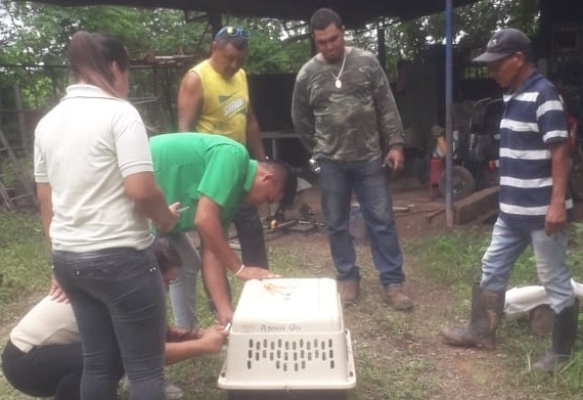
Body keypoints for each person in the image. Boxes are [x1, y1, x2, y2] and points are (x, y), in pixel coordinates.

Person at [34, 31, 179, 400]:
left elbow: (44, 199)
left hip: (69, 260)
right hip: (120, 260)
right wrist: (164, 221)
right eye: (126, 71)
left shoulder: (47, 123)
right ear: (115, 67)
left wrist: (59, 252)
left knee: (97, 364)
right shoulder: (120, 113)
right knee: (145, 370)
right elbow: (141, 190)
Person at [440, 28, 578, 373]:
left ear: (518, 59)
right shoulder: (513, 95)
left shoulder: (544, 95)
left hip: (543, 212)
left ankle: (561, 354)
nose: (491, 71)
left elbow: (560, 151)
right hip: (512, 210)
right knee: (492, 266)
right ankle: (481, 330)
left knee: (553, 278)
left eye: (496, 64)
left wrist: (557, 203)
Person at [1, 237, 228, 400]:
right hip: (23, 362)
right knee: (113, 358)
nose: (166, 290)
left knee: (107, 356)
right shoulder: (119, 292)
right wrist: (202, 345)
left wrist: (197, 334)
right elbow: (145, 354)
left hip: (40, 354)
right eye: (166, 282)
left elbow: (149, 333)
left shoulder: (124, 281)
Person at [291, 8, 413, 311]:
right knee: (335, 222)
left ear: (343, 31)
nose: (329, 46)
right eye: (322, 42)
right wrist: (316, 149)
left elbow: (386, 104)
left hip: (369, 157)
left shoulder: (366, 62)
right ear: (314, 40)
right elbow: (300, 117)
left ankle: (393, 283)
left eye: (333, 39)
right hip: (331, 162)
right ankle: (347, 278)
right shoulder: (307, 74)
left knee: (381, 221)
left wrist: (395, 144)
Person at [173, 25, 269, 330]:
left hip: (240, 171)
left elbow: (250, 121)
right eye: (228, 58)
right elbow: (184, 133)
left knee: (252, 231)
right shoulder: (196, 79)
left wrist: (262, 159)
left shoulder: (239, 76)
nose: (234, 65)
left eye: (239, 59)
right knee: (213, 241)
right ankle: (220, 308)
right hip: (212, 177)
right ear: (214, 48)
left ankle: (262, 294)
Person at [150, 132, 297, 325]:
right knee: (144, 271)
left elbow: (213, 250)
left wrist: (224, 309)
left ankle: (186, 333)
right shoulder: (234, 156)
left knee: (187, 263)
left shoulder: (235, 197)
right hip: (129, 187)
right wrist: (239, 268)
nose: (262, 205)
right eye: (268, 199)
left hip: (161, 216)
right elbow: (204, 218)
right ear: (267, 178)